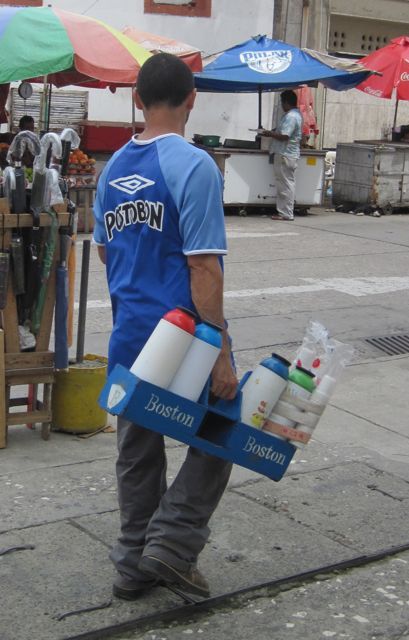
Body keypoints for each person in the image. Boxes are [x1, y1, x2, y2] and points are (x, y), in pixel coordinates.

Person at [93, 53, 238, 602]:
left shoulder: (111, 169)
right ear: (192, 98)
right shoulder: (195, 166)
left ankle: (133, 565)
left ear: (136, 99)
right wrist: (220, 352)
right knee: (224, 430)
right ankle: (173, 544)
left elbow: (105, 253)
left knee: (137, 450)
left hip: (130, 333)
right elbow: (204, 267)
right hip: (184, 340)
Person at [260, 89, 303, 221]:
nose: (282, 105)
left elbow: (285, 135)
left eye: (282, 102)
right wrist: (271, 131)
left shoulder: (291, 117)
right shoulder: (294, 115)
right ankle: (284, 212)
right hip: (287, 154)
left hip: (285, 154)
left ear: (286, 102)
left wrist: (269, 134)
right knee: (284, 184)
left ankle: (286, 213)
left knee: (285, 184)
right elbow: (282, 131)